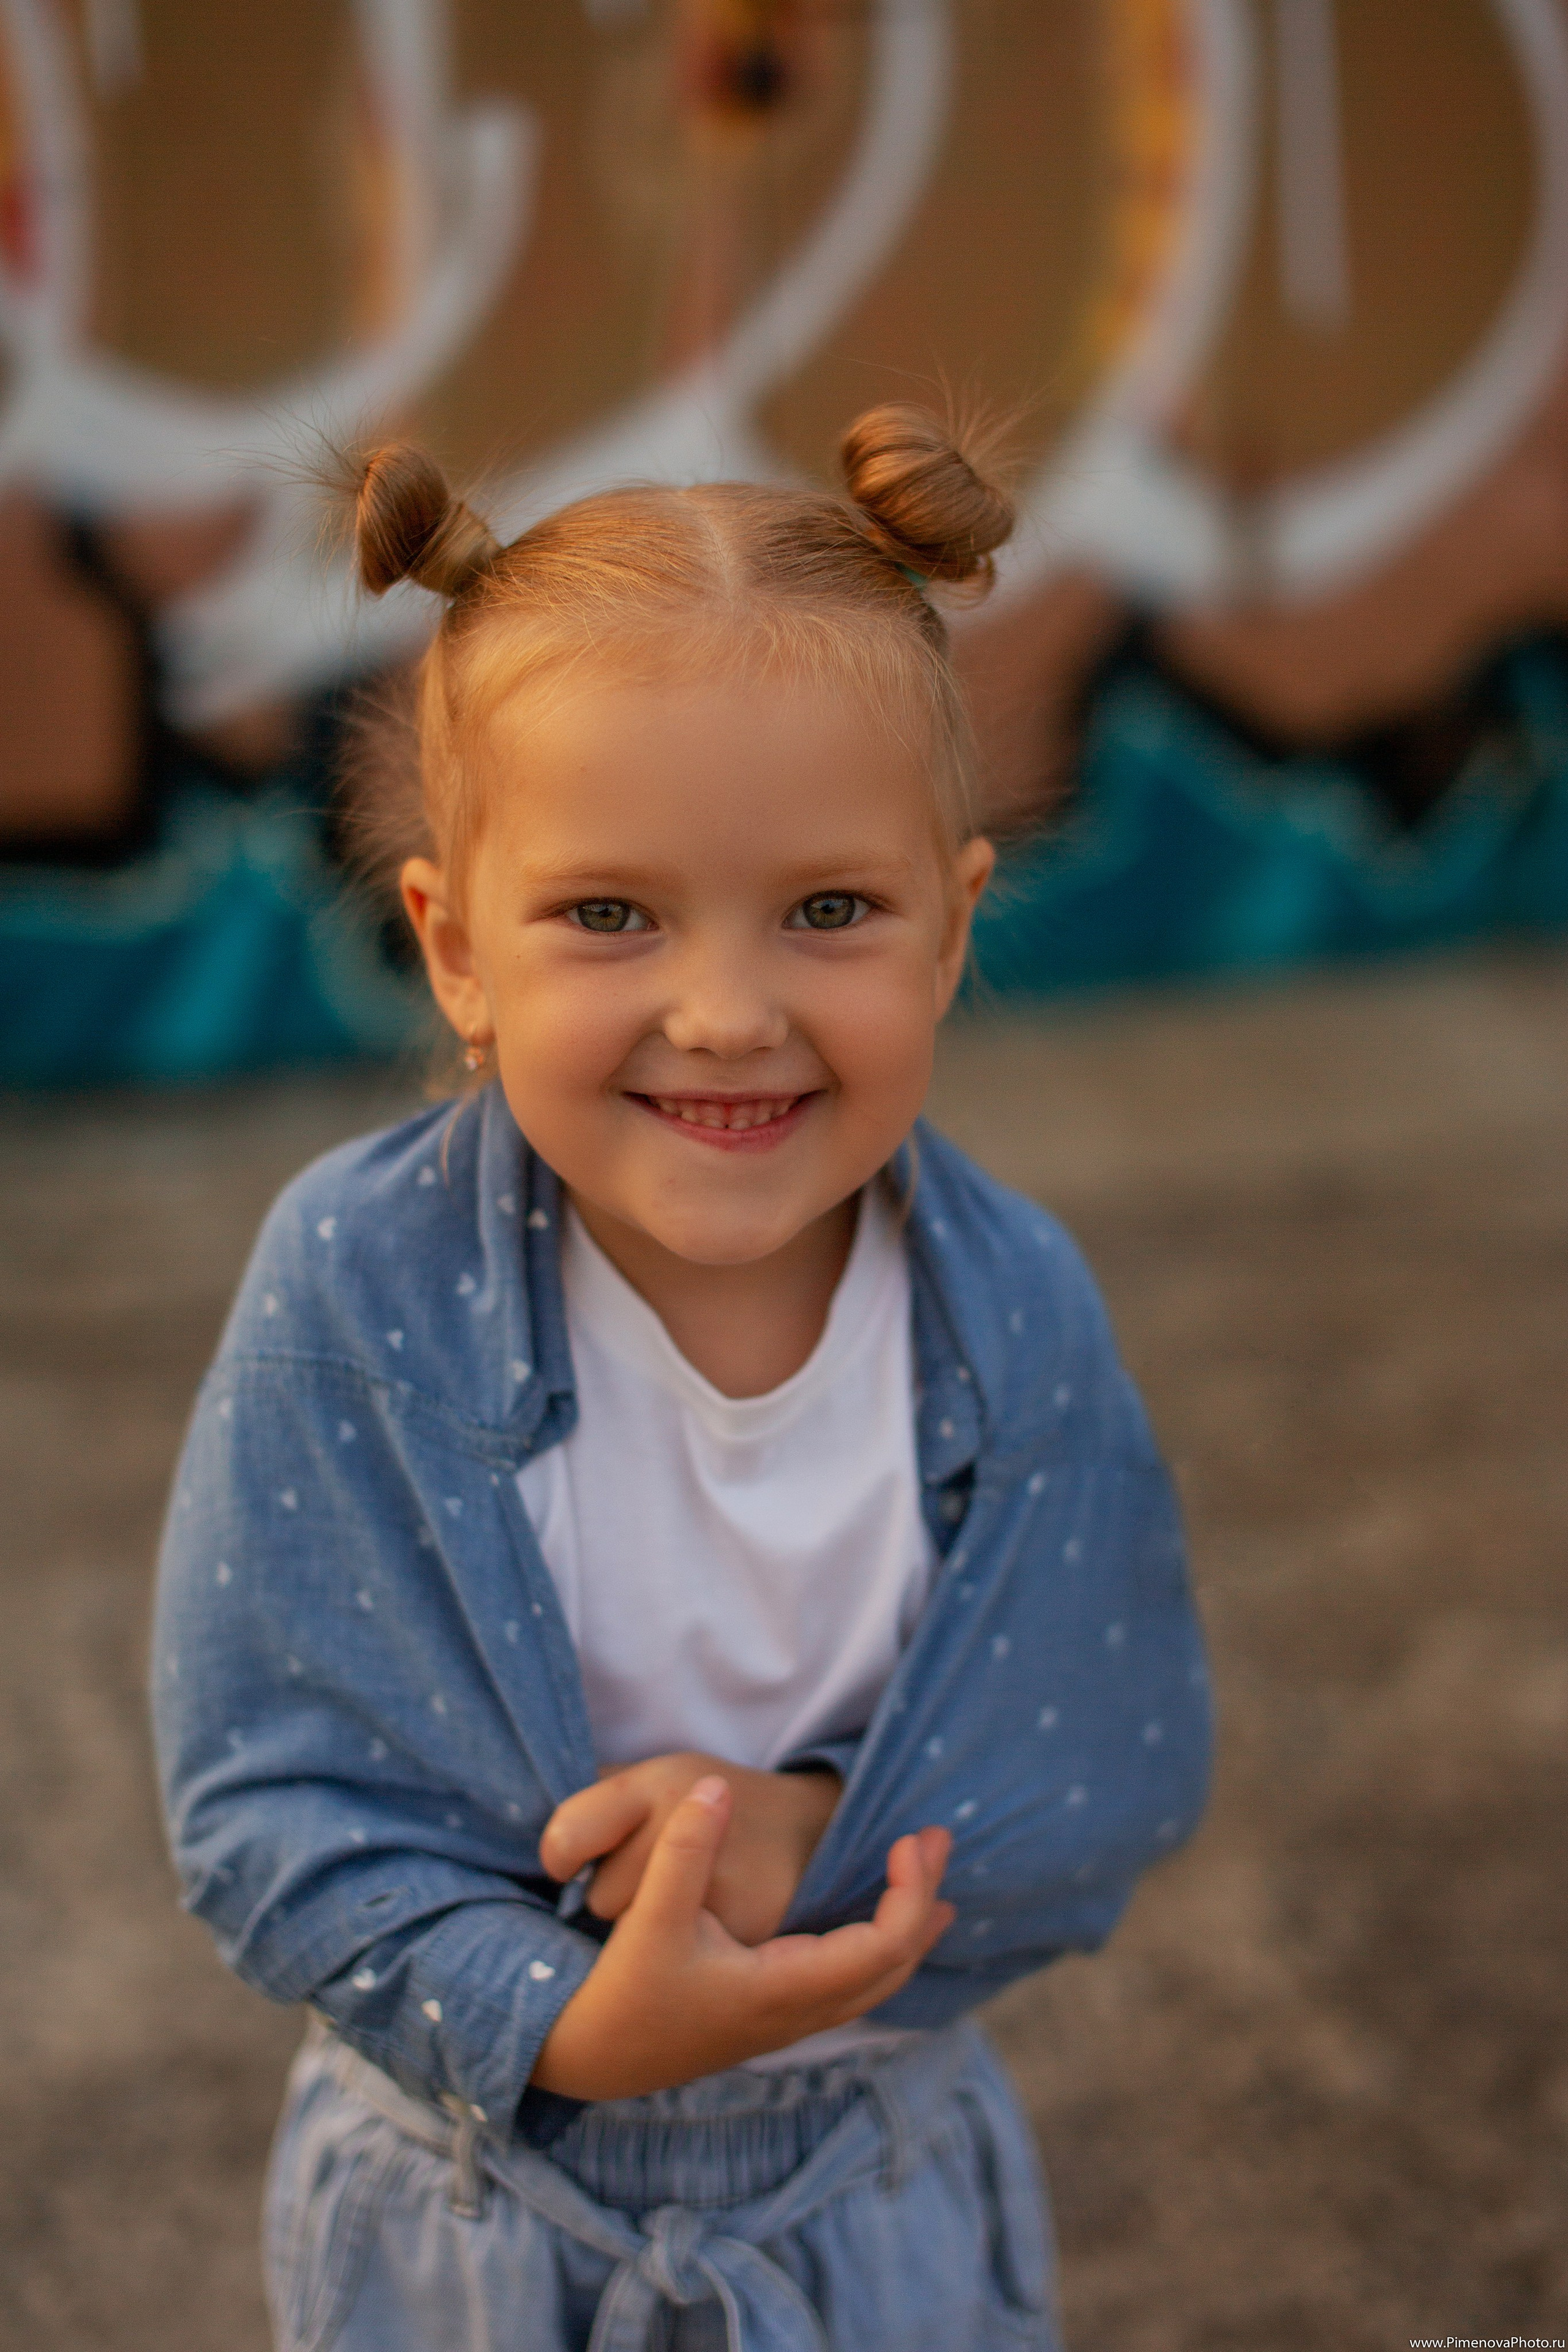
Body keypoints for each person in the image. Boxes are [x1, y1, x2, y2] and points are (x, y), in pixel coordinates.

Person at [152, 405, 1212, 2352]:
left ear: (958, 920)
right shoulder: (356, 1288)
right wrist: (554, 2016)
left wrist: (814, 1832)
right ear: (456, 950)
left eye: (828, 910)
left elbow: (1114, 1748)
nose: (726, 1010)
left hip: (866, 2198)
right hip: (472, 2216)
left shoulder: (1011, 1313)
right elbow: (265, 1797)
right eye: (609, 914)